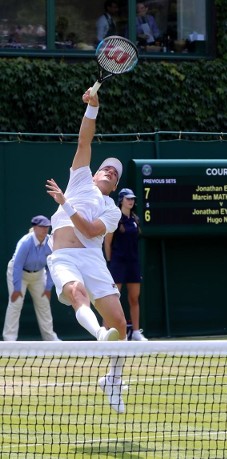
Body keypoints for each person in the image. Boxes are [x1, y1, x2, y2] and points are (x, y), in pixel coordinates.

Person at [45, 88, 128, 414]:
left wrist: (65, 204)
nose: (110, 171)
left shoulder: (111, 209)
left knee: (121, 324)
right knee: (76, 292)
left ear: (115, 185)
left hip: (92, 258)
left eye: (115, 173)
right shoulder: (79, 179)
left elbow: (91, 231)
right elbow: (84, 142)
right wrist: (92, 109)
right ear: (93, 173)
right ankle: (97, 335)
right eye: (106, 168)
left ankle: (113, 378)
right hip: (64, 257)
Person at [3, 215, 60, 341]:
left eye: (47, 227)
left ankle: (51, 339)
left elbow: (51, 265)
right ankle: (9, 340)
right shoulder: (25, 242)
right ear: (34, 228)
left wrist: (48, 287)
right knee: (15, 304)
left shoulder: (50, 243)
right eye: (41, 227)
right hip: (18, 274)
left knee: (44, 304)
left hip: (39, 275)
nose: (45, 229)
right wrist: (17, 289)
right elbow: (17, 266)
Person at [105, 188, 147, 341]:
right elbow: (107, 242)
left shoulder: (135, 220)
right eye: (128, 198)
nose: (131, 201)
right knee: (111, 298)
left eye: (133, 199)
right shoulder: (115, 218)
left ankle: (136, 332)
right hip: (117, 263)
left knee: (134, 298)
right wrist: (110, 262)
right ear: (121, 200)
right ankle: (106, 330)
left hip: (133, 264)